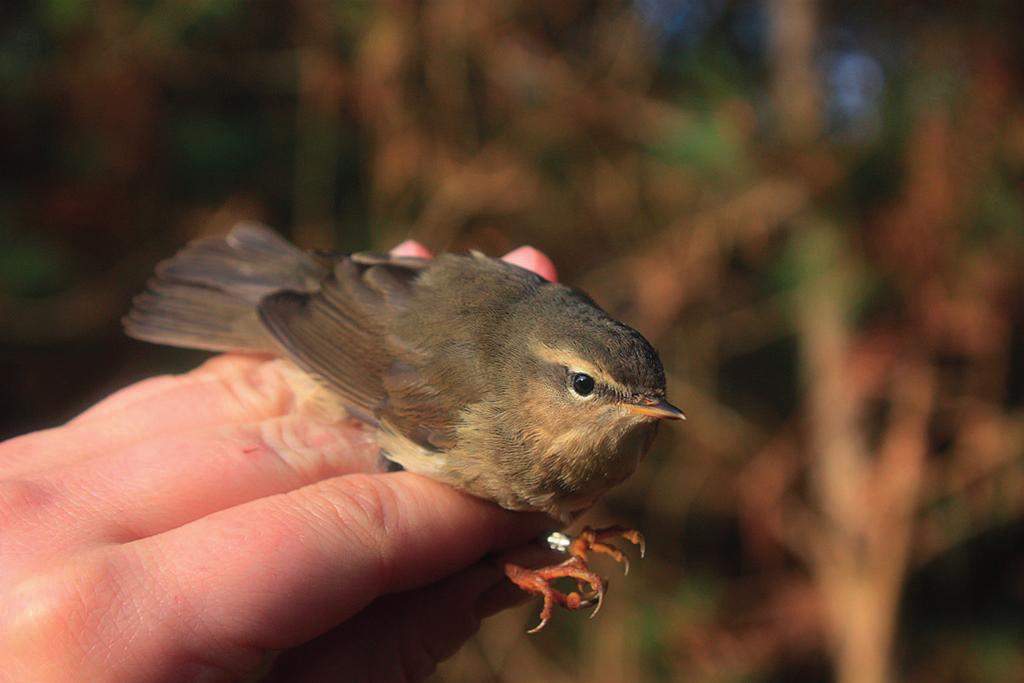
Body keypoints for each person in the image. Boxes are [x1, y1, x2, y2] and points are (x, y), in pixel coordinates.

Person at [0, 241, 559, 682]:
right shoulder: (488, 415)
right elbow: (371, 357)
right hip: (349, 335)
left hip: (376, 295)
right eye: (583, 385)